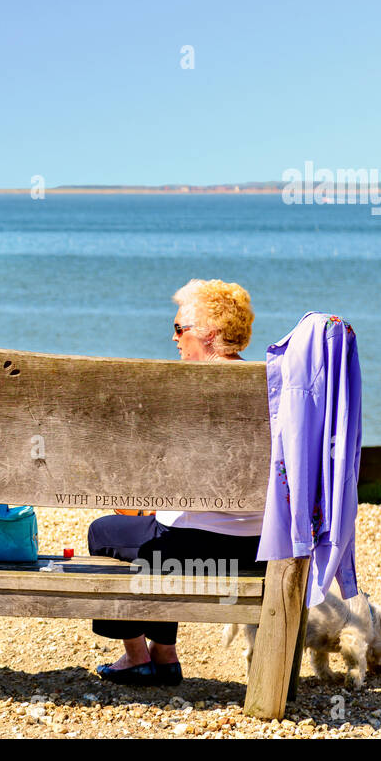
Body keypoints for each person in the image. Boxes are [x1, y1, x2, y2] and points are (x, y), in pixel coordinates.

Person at [88, 278, 267, 687]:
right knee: (154, 534)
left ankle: (139, 657)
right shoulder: (270, 384)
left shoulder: (189, 390)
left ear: (211, 333)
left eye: (179, 329)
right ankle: (164, 655)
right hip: (258, 548)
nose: (173, 338)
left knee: (105, 533)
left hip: (198, 545)